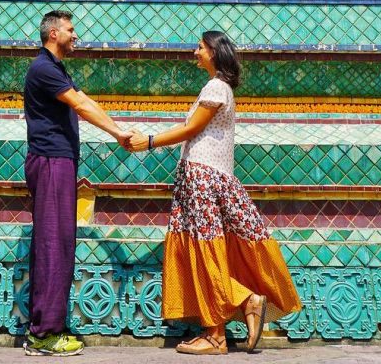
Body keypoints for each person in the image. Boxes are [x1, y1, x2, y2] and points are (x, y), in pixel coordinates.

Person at [127, 30, 302, 355]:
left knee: (204, 251)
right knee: (209, 250)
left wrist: (148, 141)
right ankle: (217, 327)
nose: (195, 52)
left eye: (200, 48)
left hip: (201, 176)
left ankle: (227, 323)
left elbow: (191, 129)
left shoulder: (215, 87)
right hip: (213, 176)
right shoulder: (219, 88)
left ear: (214, 52)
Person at [23, 9, 133, 357]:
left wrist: (117, 126)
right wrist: (118, 133)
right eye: (71, 30)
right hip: (52, 162)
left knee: (59, 244)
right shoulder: (43, 69)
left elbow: (86, 101)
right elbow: (82, 105)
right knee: (54, 245)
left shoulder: (55, 69)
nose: (76, 35)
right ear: (53, 33)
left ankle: (49, 325)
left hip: (59, 162)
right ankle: (43, 333)